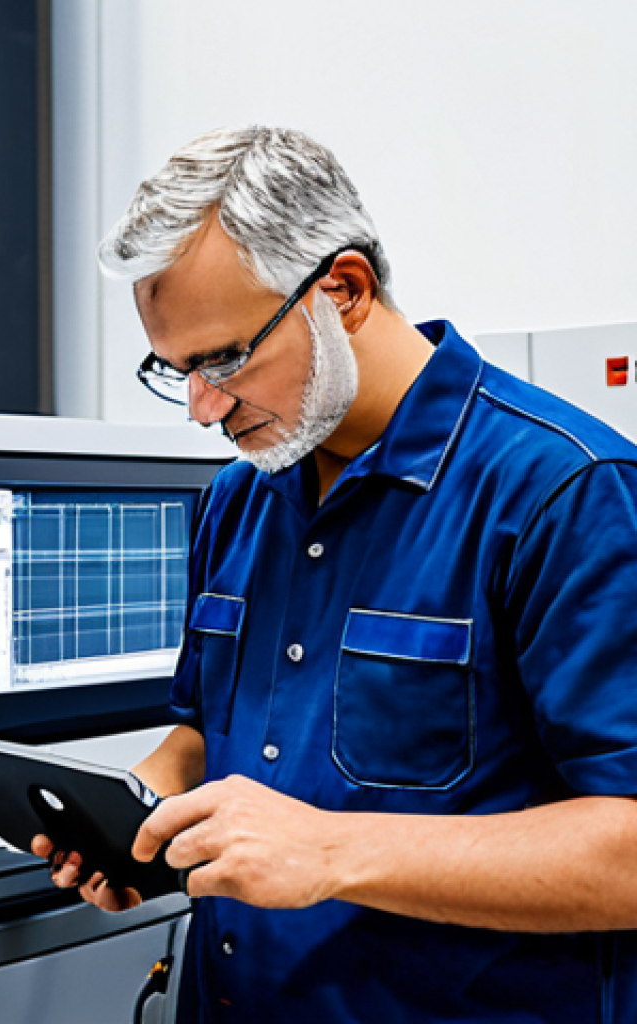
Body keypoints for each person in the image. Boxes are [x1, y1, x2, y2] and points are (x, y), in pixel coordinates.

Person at [33, 126, 637, 1023]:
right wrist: (136, 821)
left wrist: (330, 852)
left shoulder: (564, 495)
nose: (202, 408)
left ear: (344, 291)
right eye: (176, 369)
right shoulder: (242, 497)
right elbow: (205, 736)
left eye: (224, 359)